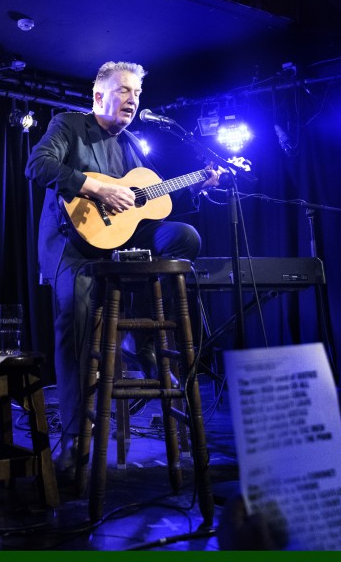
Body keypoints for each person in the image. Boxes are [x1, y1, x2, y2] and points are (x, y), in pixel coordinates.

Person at [24, 61, 219, 477]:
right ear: (99, 96)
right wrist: (96, 187)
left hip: (120, 249)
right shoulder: (70, 126)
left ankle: (144, 337)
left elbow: (150, 208)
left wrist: (198, 186)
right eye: (124, 91)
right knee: (74, 317)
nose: (132, 99)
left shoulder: (132, 146)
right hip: (71, 248)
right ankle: (76, 435)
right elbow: (37, 165)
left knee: (184, 237)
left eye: (137, 93)